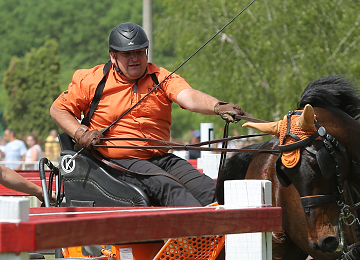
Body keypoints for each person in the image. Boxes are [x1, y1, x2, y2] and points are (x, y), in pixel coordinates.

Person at [49, 22, 247, 207]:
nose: (135, 58)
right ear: (113, 56)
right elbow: (58, 109)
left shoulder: (161, 77)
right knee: (169, 188)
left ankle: (224, 241)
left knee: (213, 192)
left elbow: (188, 97)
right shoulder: (92, 80)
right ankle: (198, 242)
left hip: (160, 158)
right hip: (116, 162)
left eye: (139, 52)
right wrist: (81, 133)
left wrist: (218, 106)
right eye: (127, 54)